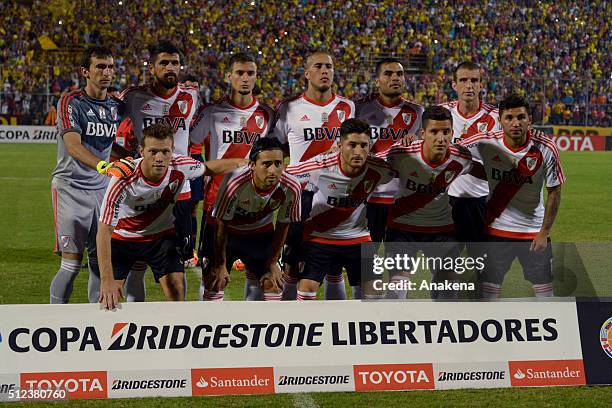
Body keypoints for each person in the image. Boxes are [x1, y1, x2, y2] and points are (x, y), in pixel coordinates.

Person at [97, 124, 246, 310]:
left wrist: (243, 162)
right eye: (153, 152)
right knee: (109, 296)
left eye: (165, 152)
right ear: (141, 151)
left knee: (177, 290)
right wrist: (107, 280)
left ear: (172, 150)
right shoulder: (123, 178)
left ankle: (174, 335)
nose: (159, 158)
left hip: (160, 239)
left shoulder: (180, 165)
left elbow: (207, 168)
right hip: (123, 239)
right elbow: (104, 230)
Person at [50, 45, 133, 304]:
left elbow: (108, 144)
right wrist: (104, 166)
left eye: (110, 67)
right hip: (70, 189)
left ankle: (94, 321)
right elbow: (74, 146)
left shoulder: (116, 106)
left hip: (102, 191)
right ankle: (54, 318)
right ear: (85, 71)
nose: (106, 72)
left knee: (100, 262)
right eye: (100, 66)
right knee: (71, 265)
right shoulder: (70, 102)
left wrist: (128, 158)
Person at [461, 94, 564, 298]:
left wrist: (545, 232)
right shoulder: (485, 142)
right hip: (496, 231)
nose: (515, 123)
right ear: (500, 121)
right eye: (509, 118)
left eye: (521, 117)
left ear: (530, 120)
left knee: (546, 295)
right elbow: (451, 151)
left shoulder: (546, 147)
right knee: (488, 294)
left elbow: (554, 191)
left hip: (533, 233)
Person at [190, 52, 275, 300]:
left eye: (250, 73)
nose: (245, 78)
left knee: (263, 282)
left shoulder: (267, 115)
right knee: (213, 282)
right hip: (216, 208)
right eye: (239, 72)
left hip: (258, 211)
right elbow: (190, 148)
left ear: (257, 76)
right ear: (229, 76)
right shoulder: (211, 112)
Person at [120, 41, 201, 300]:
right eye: (163, 63)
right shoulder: (132, 96)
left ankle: (179, 321)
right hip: (142, 189)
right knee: (137, 264)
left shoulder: (191, 95)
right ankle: (136, 319)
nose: (170, 68)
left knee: (178, 262)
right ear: (152, 68)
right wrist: (124, 160)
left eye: (175, 63)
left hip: (180, 191)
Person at [274, 50, 355, 300]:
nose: (325, 71)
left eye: (329, 67)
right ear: (307, 73)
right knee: (291, 265)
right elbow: (278, 147)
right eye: (318, 66)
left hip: (335, 196)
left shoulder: (347, 107)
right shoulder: (289, 108)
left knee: (334, 265)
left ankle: (336, 326)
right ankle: (289, 325)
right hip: (301, 196)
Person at [382, 106, 485, 300]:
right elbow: (374, 167)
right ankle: (395, 325)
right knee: (397, 288)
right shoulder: (402, 153)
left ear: (452, 133)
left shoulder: (460, 157)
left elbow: (485, 172)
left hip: (441, 229)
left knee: (448, 287)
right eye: (434, 131)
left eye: (446, 132)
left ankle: (441, 324)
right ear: (422, 133)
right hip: (403, 228)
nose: (440, 138)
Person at [286, 119, 395, 300]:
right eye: (352, 145)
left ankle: (364, 327)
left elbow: (407, 165)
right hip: (320, 236)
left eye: (363, 145)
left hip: (358, 236)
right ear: (340, 145)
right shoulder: (321, 166)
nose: (358, 152)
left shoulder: (379, 168)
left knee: (376, 289)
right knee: (306, 287)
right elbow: (286, 175)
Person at [355, 58, 424, 298]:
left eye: (400, 74)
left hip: (402, 202)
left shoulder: (417, 112)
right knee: (366, 267)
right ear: (377, 80)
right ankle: (364, 320)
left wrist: (417, 143)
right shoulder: (358, 109)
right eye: (388, 73)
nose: (395, 78)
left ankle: (396, 316)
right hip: (367, 200)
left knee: (400, 267)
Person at [202, 138, 301, 301]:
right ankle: (211, 324)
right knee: (215, 281)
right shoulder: (235, 183)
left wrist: (272, 262)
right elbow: (221, 223)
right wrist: (220, 264)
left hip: (259, 233)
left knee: (273, 283)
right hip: (224, 233)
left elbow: (283, 225)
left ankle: (268, 325)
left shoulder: (291, 186)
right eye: (266, 164)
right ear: (253, 165)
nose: (273, 170)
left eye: (278, 163)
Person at [439, 62, 501, 245]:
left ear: (481, 85)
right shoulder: (442, 113)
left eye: (474, 80)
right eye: (463, 80)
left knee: (483, 265)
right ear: (454, 85)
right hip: (447, 201)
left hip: (484, 202)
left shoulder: (496, 117)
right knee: (444, 266)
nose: (469, 85)